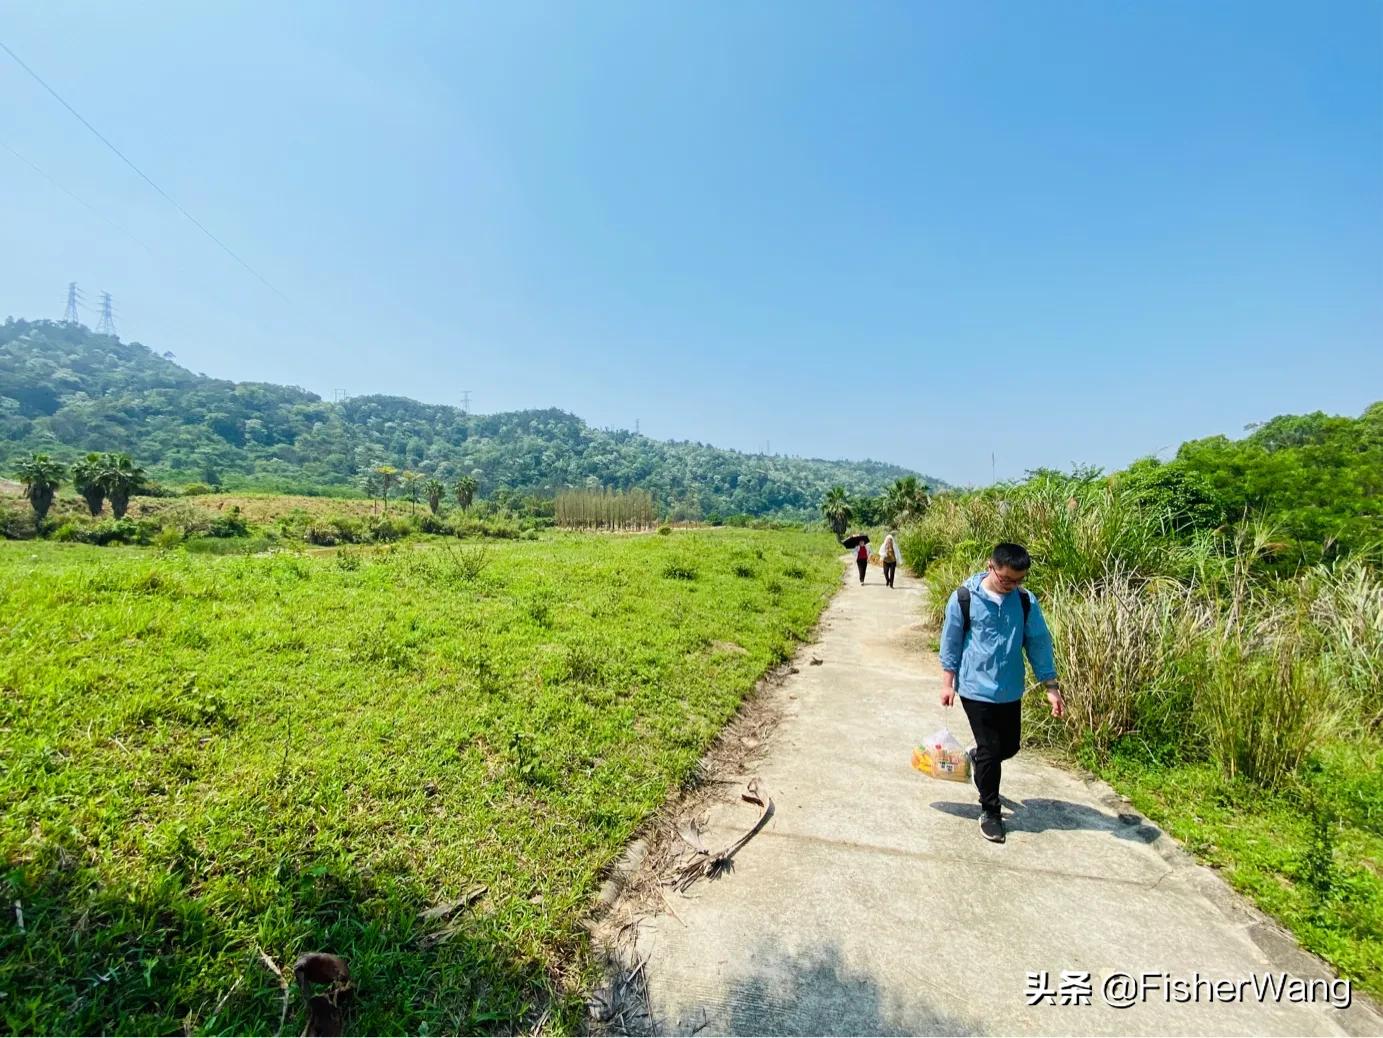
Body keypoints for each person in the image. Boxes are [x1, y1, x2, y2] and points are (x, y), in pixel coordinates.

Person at [938, 542, 1065, 844]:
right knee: (992, 751)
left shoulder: (1024, 602)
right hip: (975, 688)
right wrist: (947, 682)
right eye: (1006, 578)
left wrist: (1051, 686)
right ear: (990, 566)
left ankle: (978, 755)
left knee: (1009, 747)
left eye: (1019, 580)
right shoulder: (964, 598)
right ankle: (990, 811)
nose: (1011, 585)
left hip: (1010, 688)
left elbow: (1038, 643)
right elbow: (951, 641)